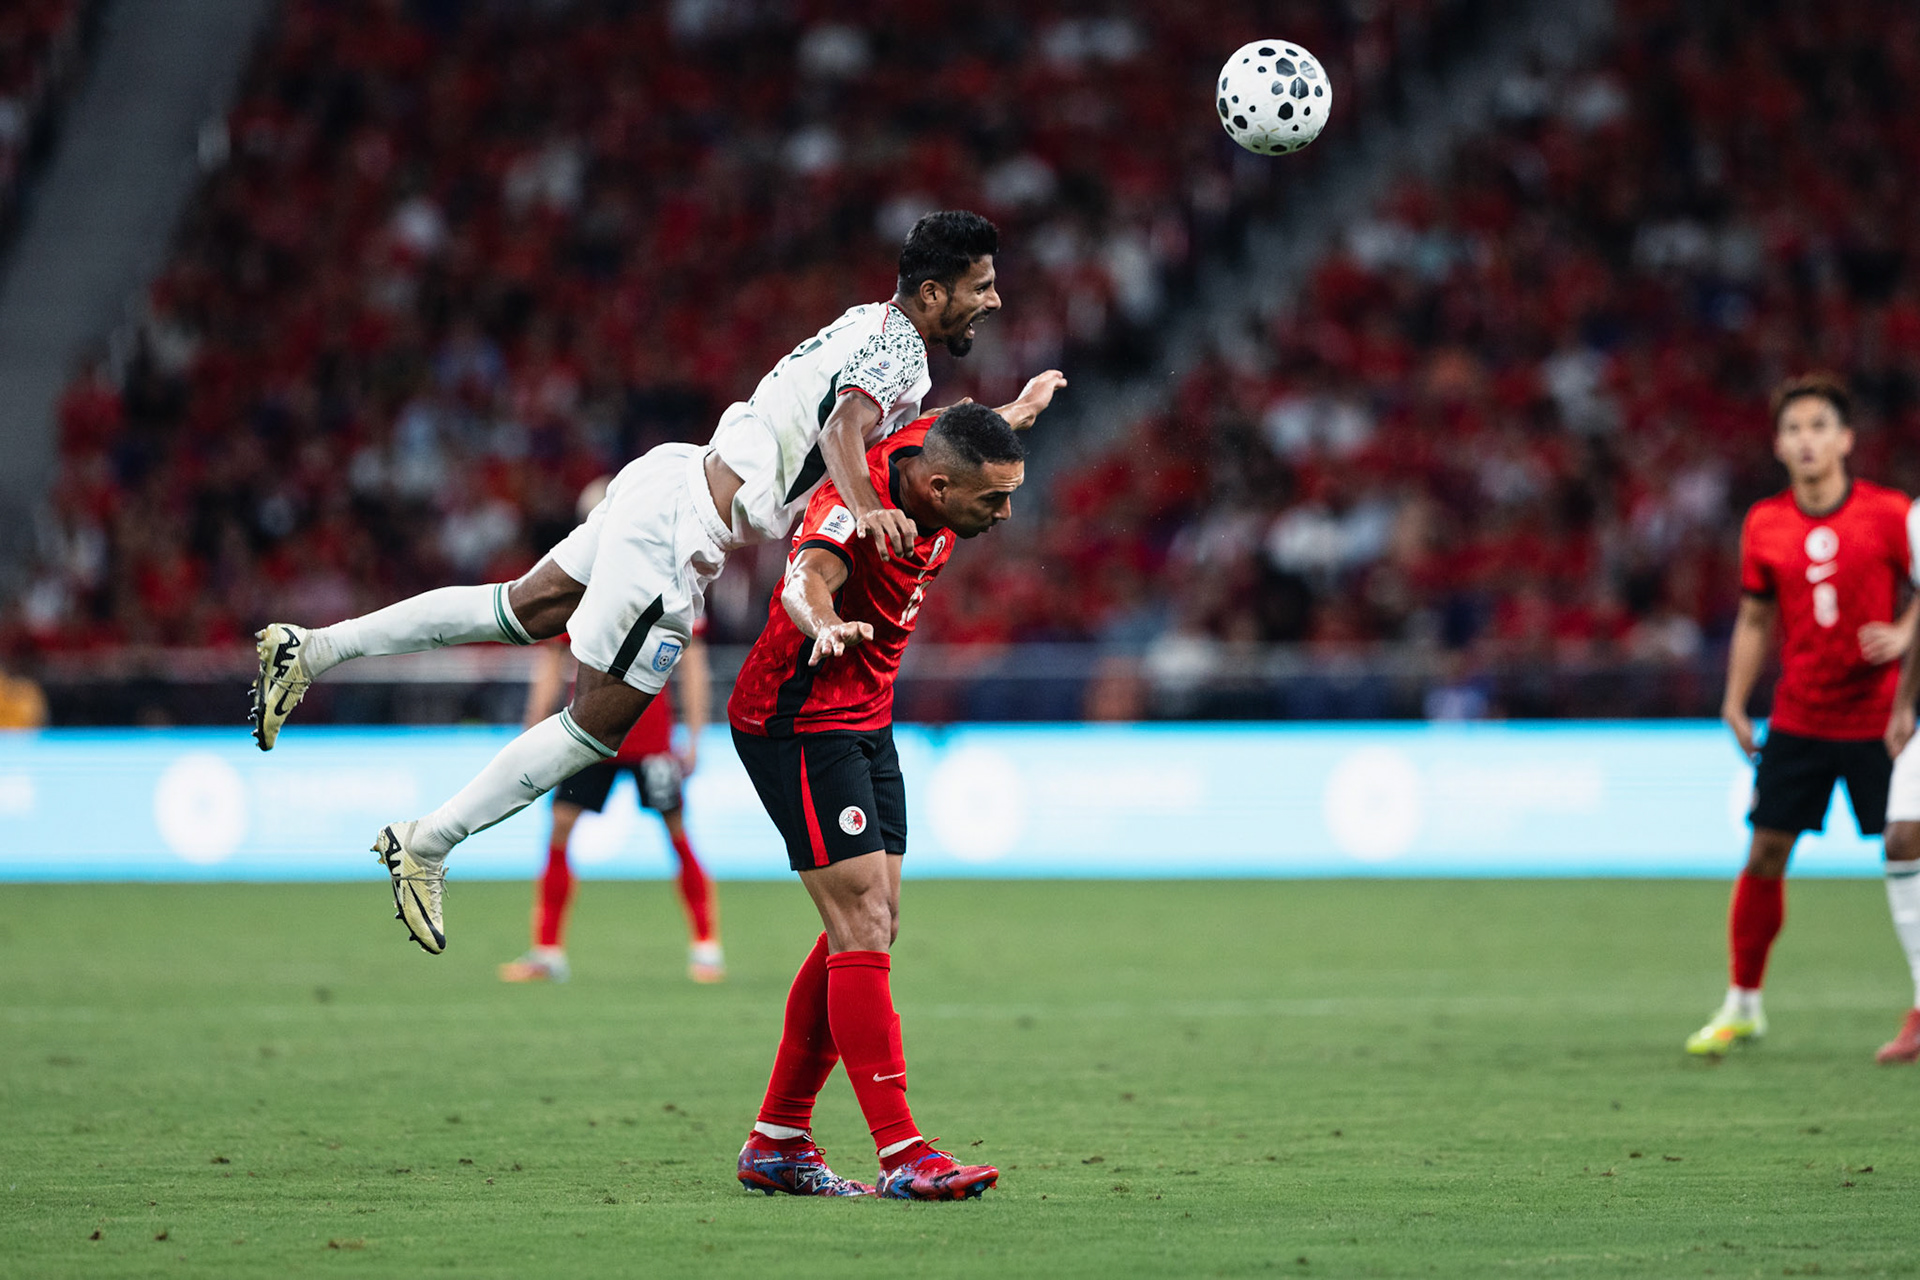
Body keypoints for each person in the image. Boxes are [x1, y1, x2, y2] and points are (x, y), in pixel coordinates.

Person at [249, 209, 1064, 956]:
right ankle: (426, 845)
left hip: (671, 477)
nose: (994, 300)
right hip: (680, 542)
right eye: (982, 285)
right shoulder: (897, 354)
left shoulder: (872, 328)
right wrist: (865, 507)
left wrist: (1012, 415)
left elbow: (912, 438)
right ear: (934, 291)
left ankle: (311, 650)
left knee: (521, 607)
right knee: (598, 726)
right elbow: (844, 425)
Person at [730, 401, 1045, 1201]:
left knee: (870, 924)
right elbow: (805, 579)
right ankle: (903, 1153)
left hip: (867, 717)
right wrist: (824, 624)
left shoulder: (935, 454)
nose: (1005, 514)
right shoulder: (851, 508)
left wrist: (1020, 409)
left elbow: (966, 427)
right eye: (992, 501)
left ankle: (777, 1139)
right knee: (861, 921)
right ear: (937, 488)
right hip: (798, 719)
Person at [1690, 374, 1917, 1057]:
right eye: (1794, 429)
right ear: (1778, 445)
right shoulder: (1765, 523)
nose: (1806, 440)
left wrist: (1906, 631)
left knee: (1909, 849)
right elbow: (1756, 616)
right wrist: (1735, 698)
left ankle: (1919, 1005)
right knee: (1765, 851)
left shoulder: (1889, 514)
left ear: (1846, 439)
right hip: (1800, 715)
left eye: (1819, 426)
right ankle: (1743, 1005)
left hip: (1881, 717)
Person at [500, 481, 723, 983]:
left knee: (676, 833)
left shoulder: (671, 577)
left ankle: (707, 945)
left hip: (648, 737)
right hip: (587, 735)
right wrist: (532, 736)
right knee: (561, 827)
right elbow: (552, 665)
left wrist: (693, 736)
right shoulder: (577, 582)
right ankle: (548, 952)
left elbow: (692, 665)